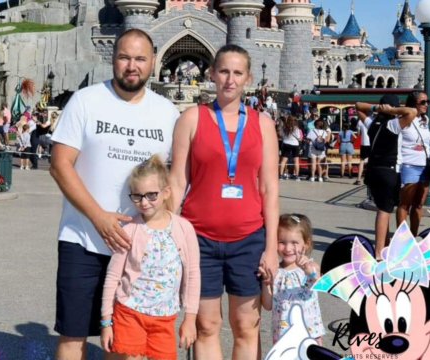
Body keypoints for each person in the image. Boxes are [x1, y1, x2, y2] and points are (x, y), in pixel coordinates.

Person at [49, 29, 180, 360]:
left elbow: (175, 180)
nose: (131, 66)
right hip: (83, 238)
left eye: (139, 58)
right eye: (124, 57)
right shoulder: (86, 100)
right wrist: (99, 217)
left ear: (153, 62)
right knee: (73, 335)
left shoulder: (167, 113)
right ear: (113, 59)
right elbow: (60, 165)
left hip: (138, 246)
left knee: (123, 342)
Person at [168, 44, 279, 360]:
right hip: (198, 239)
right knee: (206, 325)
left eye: (238, 73)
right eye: (224, 72)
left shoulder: (263, 124)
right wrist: (164, 235)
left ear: (248, 78)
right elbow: (177, 182)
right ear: (212, 74)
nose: (230, 80)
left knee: (246, 325)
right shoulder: (192, 118)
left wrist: (270, 248)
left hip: (248, 240)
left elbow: (269, 189)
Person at [100, 155, 200, 360]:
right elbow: (112, 277)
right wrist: (106, 321)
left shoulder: (184, 228)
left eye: (151, 195)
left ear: (166, 193)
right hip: (129, 312)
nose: (144, 202)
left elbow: (193, 275)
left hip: (164, 318)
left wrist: (190, 318)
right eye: (137, 196)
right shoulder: (129, 229)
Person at [355, 94, 417, 261]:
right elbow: (412, 111)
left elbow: (358, 105)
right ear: (392, 107)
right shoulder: (393, 125)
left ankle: (386, 247)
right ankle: (379, 253)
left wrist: (376, 108)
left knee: (384, 209)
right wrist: (392, 110)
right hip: (388, 171)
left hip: (373, 171)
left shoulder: (372, 123)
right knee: (384, 211)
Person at [260, 214, 325, 346]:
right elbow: (267, 305)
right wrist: (266, 282)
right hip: (283, 337)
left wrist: (309, 271)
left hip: (310, 334)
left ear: (306, 244)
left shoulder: (311, 266)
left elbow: (323, 282)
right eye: (282, 242)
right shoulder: (275, 271)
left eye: (294, 243)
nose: (288, 248)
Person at [397, 92, 430, 236]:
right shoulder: (403, 120)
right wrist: (399, 166)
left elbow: (427, 143)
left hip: (424, 165)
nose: (426, 105)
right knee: (405, 204)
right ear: (413, 104)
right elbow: (398, 144)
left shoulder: (425, 119)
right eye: (422, 102)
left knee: (419, 204)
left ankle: (413, 235)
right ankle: (402, 238)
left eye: (427, 102)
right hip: (409, 164)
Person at [279, 115, 302, 181]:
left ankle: (281, 175)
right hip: (295, 144)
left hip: (286, 143)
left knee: (283, 160)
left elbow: (282, 135)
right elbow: (298, 137)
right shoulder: (296, 128)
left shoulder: (284, 127)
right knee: (296, 161)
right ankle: (297, 176)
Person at [355, 111, 373, 185]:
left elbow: (358, 133)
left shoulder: (360, 121)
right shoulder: (373, 120)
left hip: (364, 143)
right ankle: (371, 178)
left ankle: (359, 179)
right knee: (372, 161)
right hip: (372, 143)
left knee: (361, 161)